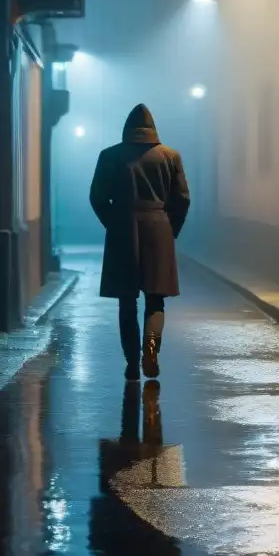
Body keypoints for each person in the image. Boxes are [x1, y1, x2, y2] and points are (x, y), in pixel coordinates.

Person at [89, 104, 190, 380]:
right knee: (155, 299)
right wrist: (171, 230)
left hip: (122, 228)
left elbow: (97, 197)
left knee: (126, 301)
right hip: (159, 228)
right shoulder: (170, 156)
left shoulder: (109, 155)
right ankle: (152, 350)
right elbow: (182, 198)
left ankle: (132, 362)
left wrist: (113, 222)